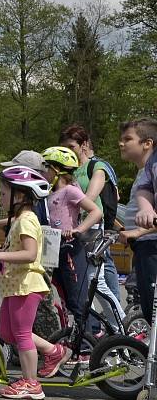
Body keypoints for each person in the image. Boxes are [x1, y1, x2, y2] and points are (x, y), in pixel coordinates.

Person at [0, 166, 70, 400]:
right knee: (7, 332)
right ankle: (54, 351)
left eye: (2, 193)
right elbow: (15, 250)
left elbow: (30, 254)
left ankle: (32, 383)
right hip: (14, 285)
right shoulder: (19, 220)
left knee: (21, 334)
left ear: (19, 196)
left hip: (26, 285)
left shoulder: (27, 220)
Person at [41, 147, 109, 332]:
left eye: (45, 167)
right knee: (66, 298)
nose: (42, 172)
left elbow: (96, 212)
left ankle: (87, 343)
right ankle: (80, 337)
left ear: (57, 170)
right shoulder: (47, 193)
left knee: (76, 298)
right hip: (55, 248)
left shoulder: (70, 190)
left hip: (71, 248)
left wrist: (77, 229)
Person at [59, 125, 122, 304]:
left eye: (71, 147)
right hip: (75, 227)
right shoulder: (69, 170)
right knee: (83, 282)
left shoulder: (97, 166)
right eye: (64, 148)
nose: (68, 151)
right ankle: (91, 326)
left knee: (97, 280)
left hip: (93, 227)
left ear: (84, 144)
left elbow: (90, 198)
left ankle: (119, 324)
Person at [126, 119, 157, 324]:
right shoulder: (152, 162)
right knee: (150, 309)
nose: (122, 143)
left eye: (127, 139)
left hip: (150, 241)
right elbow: (144, 187)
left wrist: (139, 232)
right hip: (145, 245)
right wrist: (146, 207)